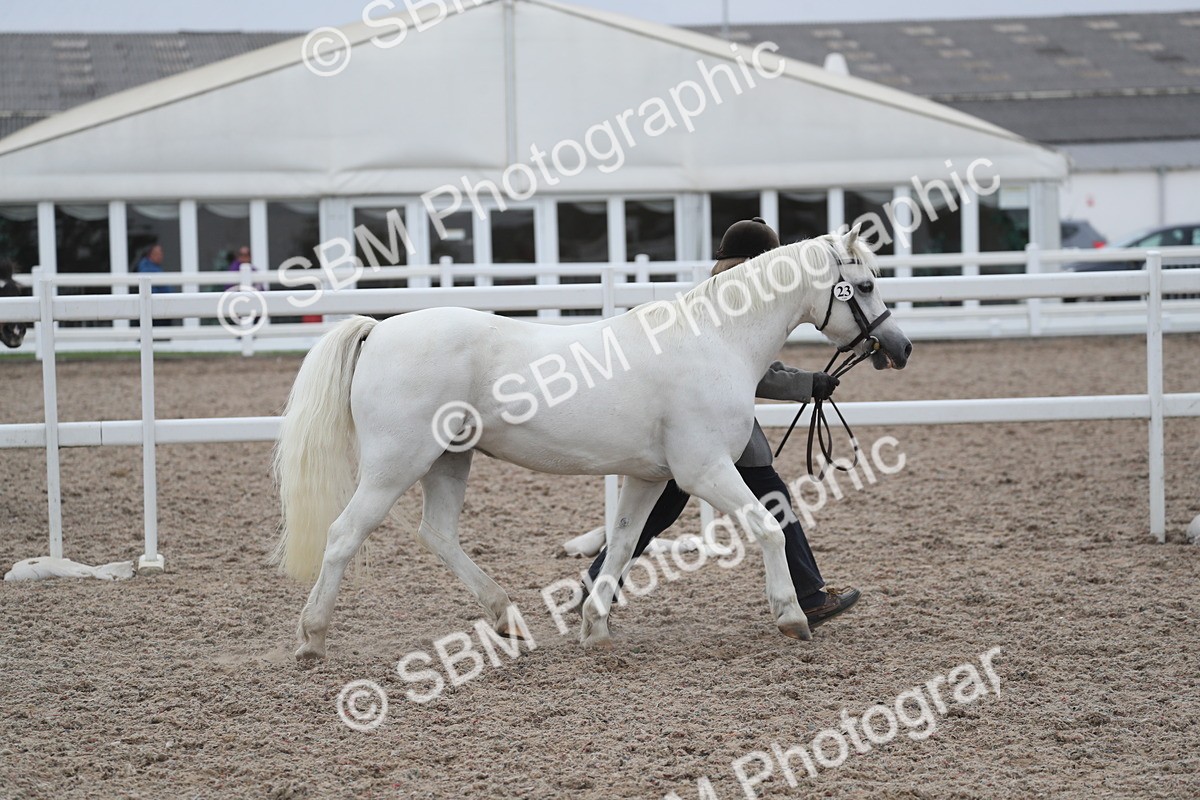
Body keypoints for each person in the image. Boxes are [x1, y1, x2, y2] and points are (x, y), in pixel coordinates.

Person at [583, 218, 861, 630]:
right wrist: (806, 383)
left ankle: (597, 582)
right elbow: (752, 372)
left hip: (696, 426)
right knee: (772, 499)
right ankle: (807, 596)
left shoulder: (713, 295)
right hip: (711, 430)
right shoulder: (736, 299)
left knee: (656, 511)